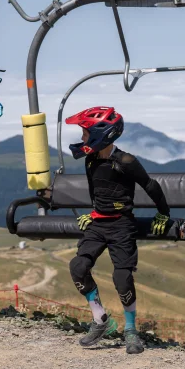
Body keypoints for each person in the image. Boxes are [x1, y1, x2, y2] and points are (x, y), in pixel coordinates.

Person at [65, 106, 171, 354]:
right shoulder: (91, 160)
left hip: (122, 225)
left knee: (121, 279)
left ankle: (131, 330)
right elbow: (98, 192)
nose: (82, 139)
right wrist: (92, 213)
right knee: (78, 267)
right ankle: (100, 319)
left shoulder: (126, 161)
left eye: (85, 133)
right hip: (98, 224)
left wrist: (163, 213)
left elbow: (151, 186)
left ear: (101, 135)